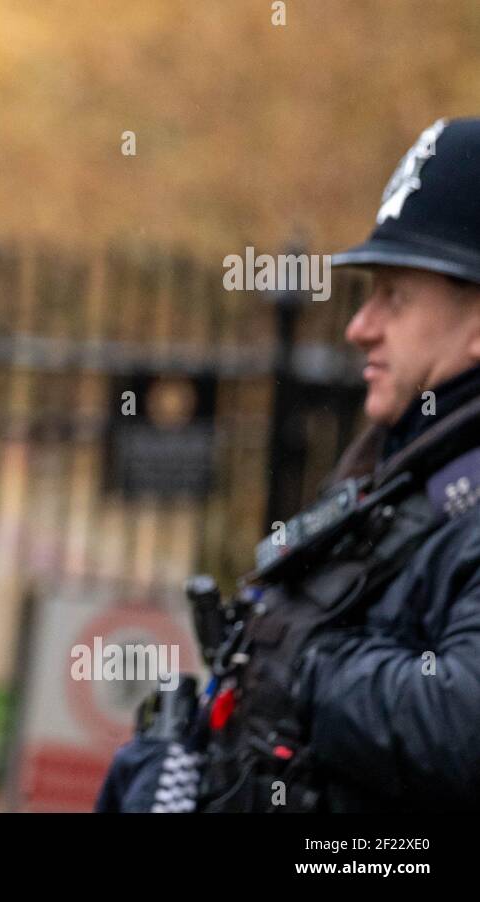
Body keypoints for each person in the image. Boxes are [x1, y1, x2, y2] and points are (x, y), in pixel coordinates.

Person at [103, 117, 480, 812]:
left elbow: (462, 722)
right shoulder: (403, 465)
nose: (359, 326)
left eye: (394, 296)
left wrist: (304, 663)